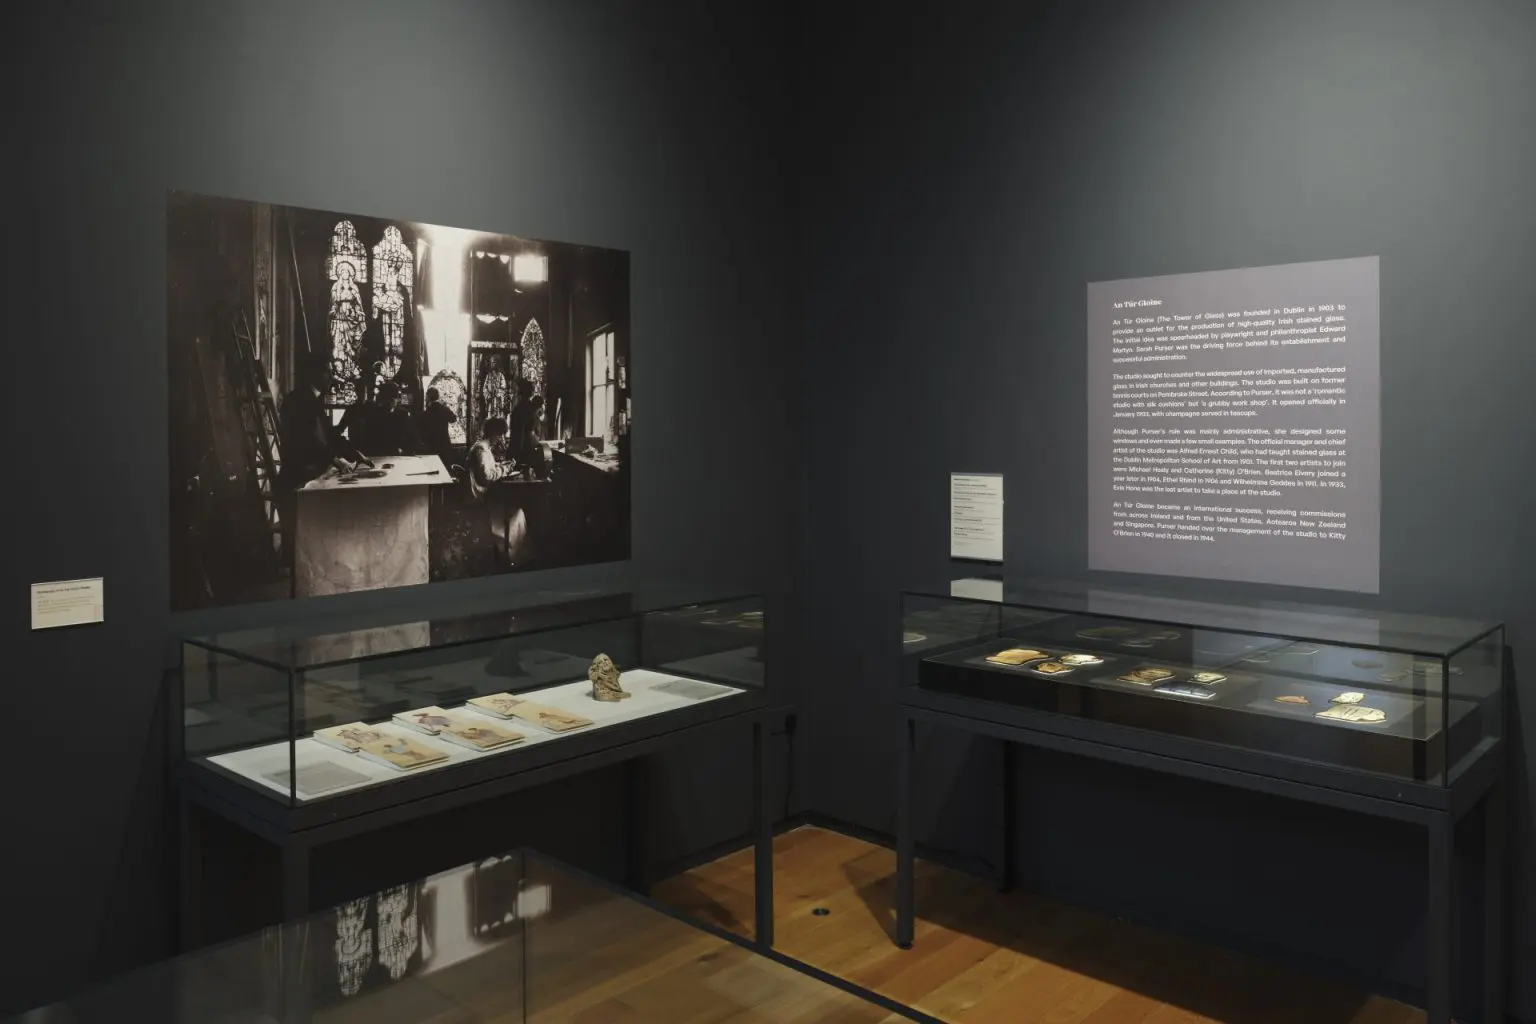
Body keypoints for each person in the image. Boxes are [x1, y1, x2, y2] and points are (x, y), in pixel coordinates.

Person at [276, 351, 369, 564]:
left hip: (312, 468)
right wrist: (335, 460)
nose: (331, 375)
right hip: (298, 475)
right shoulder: (298, 401)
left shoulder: (312, 399)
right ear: (312, 372)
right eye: (326, 370)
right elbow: (305, 443)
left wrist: (355, 453)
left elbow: (330, 436)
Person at [467, 417, 529, 565]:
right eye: (500, 434)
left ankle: (510, 551)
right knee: (518, 512)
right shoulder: (481, 450)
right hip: (482, 495)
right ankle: (511, 554)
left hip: (484, 492)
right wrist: (506, 469)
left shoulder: (482, 447)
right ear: (493, 433)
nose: (502, 438)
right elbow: (488, 476)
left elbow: (488, 469)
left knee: (516, 508)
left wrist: (503, 464)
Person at [420, 386, 457, 465]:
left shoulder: (425, 413)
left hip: (431, 447)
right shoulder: (444, 409)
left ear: (428, 397)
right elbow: (453, 419)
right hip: (445, 447)